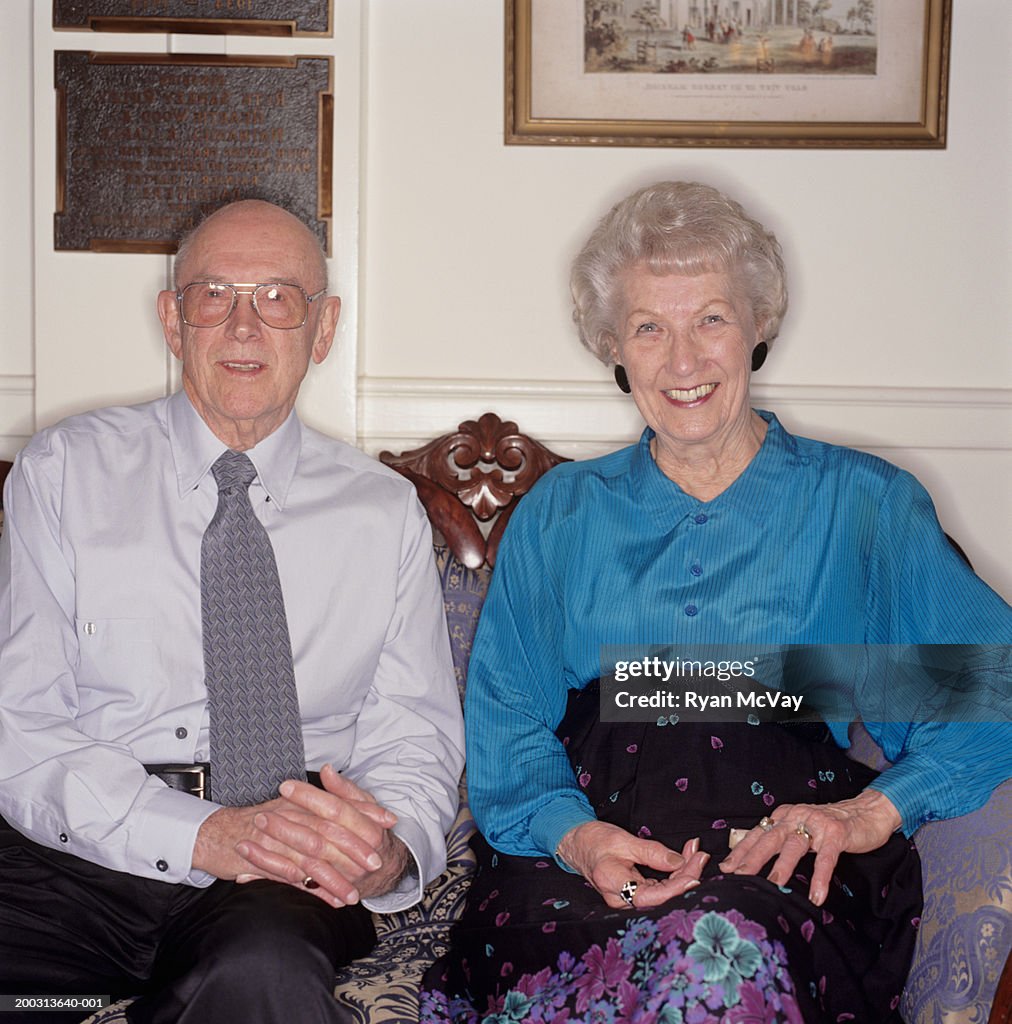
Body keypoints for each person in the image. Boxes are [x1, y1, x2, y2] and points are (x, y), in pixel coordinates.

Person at [420, 182, 1011, 1022]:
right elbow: (510, 719)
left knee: (720, 956)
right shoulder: (562, 514)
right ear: (613, 349)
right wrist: (581, 840)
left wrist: (878, 809)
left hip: (779, 868)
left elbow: (993, 685)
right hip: (583, 867)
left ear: (758, 326)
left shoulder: (860, 508)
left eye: (711, 319)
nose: (683, 361)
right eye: (649, 328)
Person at [0, 199, 465, 1023]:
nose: (244, 325)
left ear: (322, 332)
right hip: (72, 858)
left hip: (279, 876)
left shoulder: (383, 512)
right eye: (215, 295)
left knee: (265, 973)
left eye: (279, 297)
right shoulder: (66, 471)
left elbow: (413, 736)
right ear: (173, 322)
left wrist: (387, 854)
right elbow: (21, 726)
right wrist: (201, 834)